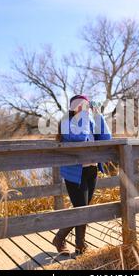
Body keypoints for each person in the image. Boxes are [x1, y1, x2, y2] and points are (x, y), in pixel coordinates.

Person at [52, 94, 112, 256]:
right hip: (74, 172)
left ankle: (70, 243)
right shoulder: (66, 123)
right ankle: (77, 245)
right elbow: (79, 137)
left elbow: (106, 138)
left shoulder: (90, 121)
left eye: (86, 106)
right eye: (81, 106)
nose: (84, 109)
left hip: (91, 170)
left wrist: (98, 114)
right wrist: (85, 115)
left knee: (82, 208)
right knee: (81, 209)